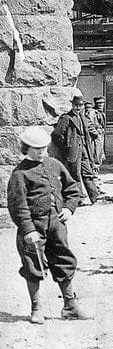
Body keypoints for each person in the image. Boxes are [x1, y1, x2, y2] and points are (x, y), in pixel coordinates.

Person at [6, 125, 91, 323]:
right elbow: (18, 206)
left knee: (64, 260)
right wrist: (27, 229)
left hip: (57, 225)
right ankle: (36, 308)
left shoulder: (55, 165)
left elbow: (72, 189)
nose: (42, 153)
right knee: (32, 265)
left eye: (44, 148)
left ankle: (70, 306)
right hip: (33, 228)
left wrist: (69, 208)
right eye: (37, 149)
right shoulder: (19, 174)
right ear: (26, 148)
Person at [51, 91, 100, 205]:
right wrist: (67, 145)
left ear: (83, 106)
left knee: (88, 173)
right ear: (72, 105)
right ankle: (78, 199)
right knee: (75, 175)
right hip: (73, 151)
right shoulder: (67, 118)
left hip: (84, 150)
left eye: (80, 105)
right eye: (76, 105)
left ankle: (95, 197)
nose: (78, 108)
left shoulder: (83, 117)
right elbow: (57, 134)